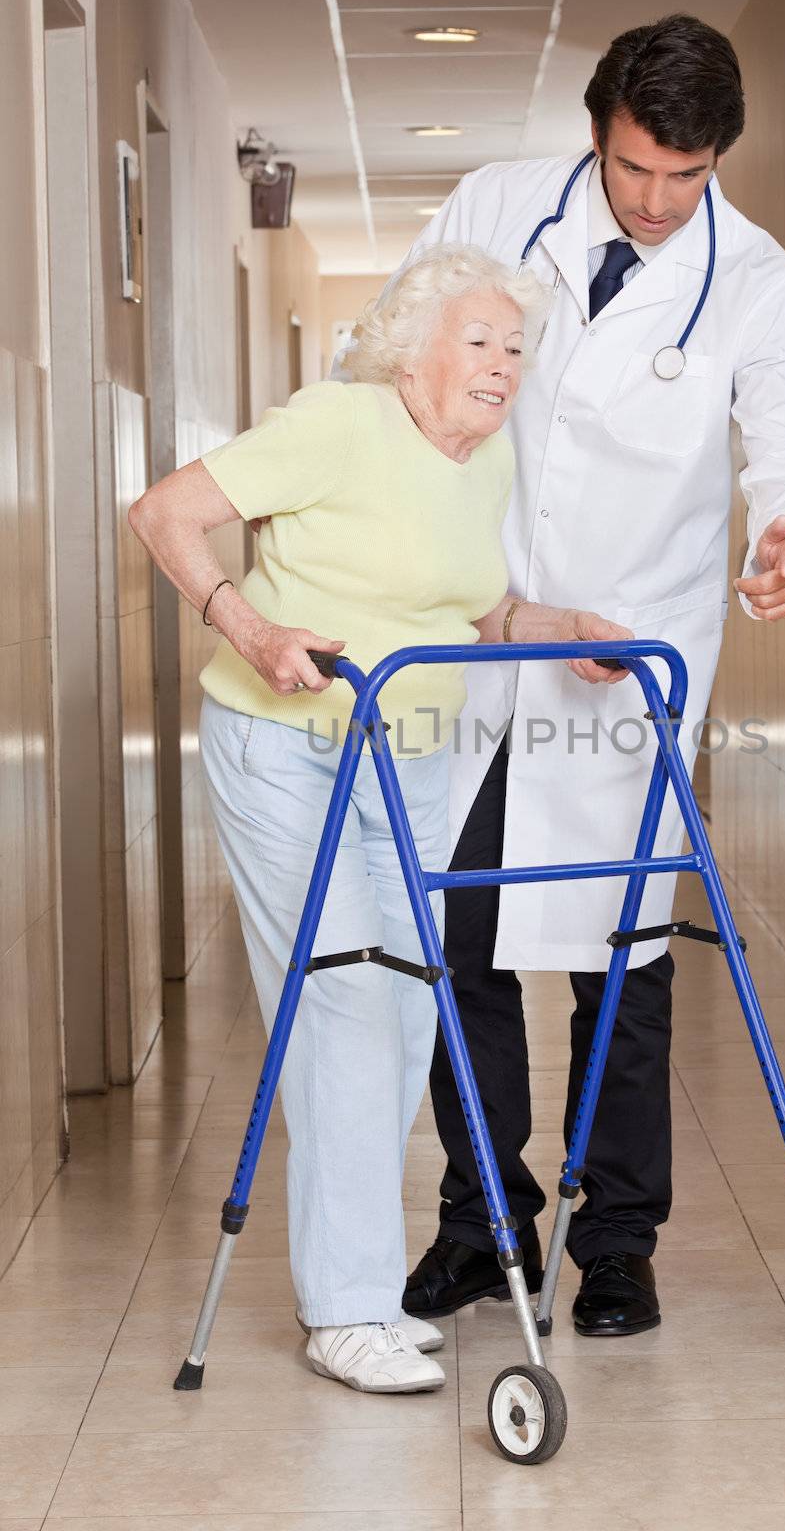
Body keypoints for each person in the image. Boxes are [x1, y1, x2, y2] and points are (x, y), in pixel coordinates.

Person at [346, 16, 785, 1338]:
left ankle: (616, 1245)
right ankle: (481, 1224)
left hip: (625, 657)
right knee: (462, 938)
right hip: (481, 627)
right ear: (596, 131)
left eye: (684, 177)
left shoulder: (754, 282)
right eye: (634, 168)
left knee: (623, 960)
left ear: (714, 162)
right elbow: (395, 355)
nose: (653, 201)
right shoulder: (495, 206)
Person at [127, 245, 632, 1395]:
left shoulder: (482, 457)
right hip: (288, 746)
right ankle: (346, 1307)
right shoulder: (338, 423)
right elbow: (162, 513)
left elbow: (476, 602)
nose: (503, 365)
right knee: (348, 993)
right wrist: (251, 629)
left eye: (515, 346)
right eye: (479, 341)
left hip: (409, 758)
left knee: (408, 1005)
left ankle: (351, 1282)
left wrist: (561, 625)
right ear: (412, 351)